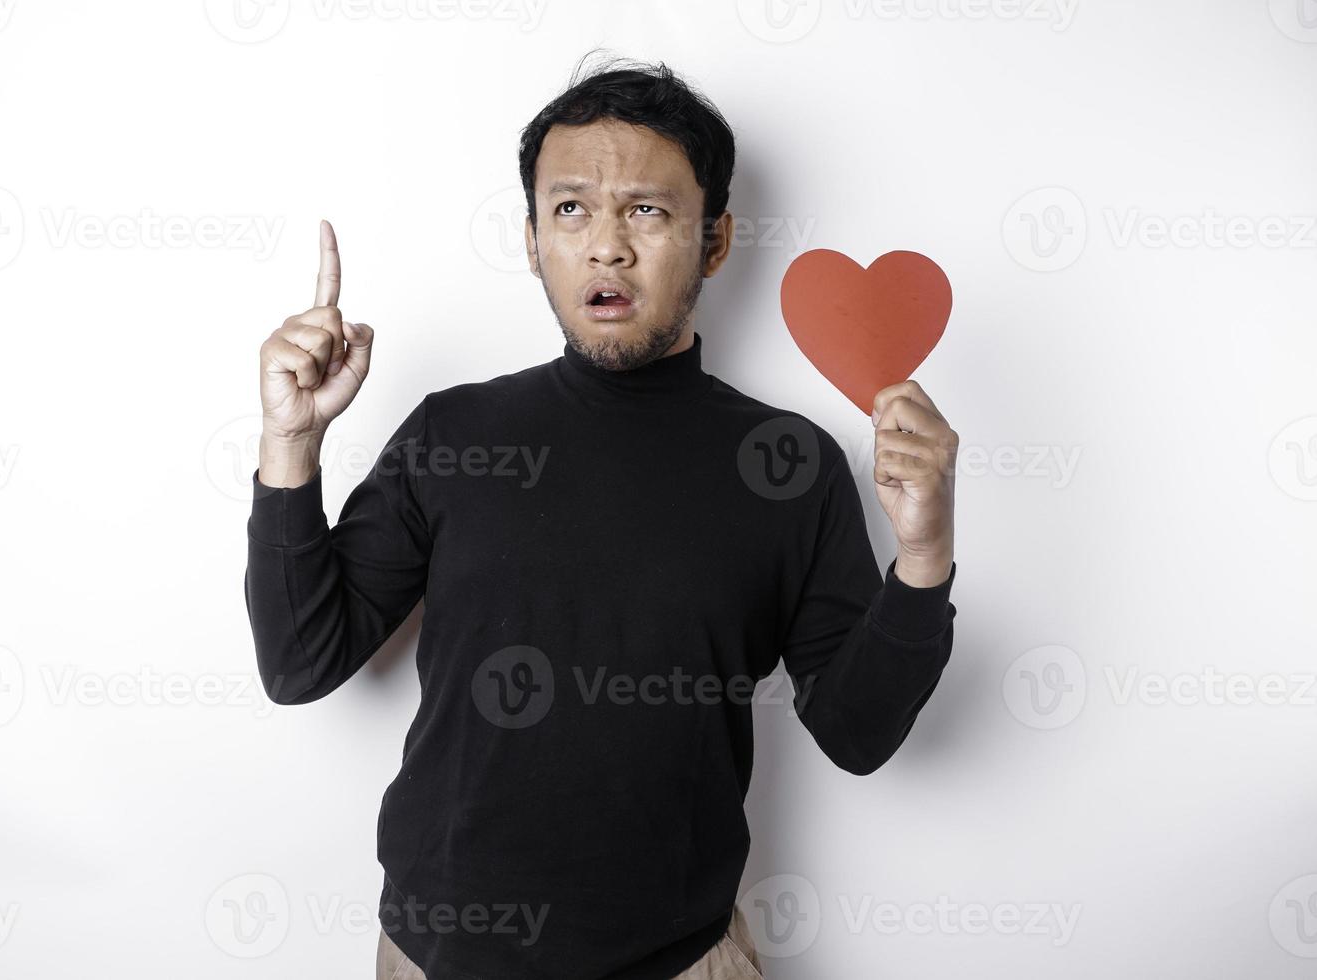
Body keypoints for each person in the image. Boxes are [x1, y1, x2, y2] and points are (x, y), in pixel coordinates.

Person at [244, 54, 959, 980]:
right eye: (571, 208)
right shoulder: (454, 434)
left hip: (682, 959)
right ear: (534, 238)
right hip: (439, 958)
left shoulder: (790, 466)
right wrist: (290, 447)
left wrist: (926, 555)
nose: (607, 245)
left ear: (713, 242)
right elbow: (300, 663)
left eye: (648, 211)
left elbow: (857, 736)